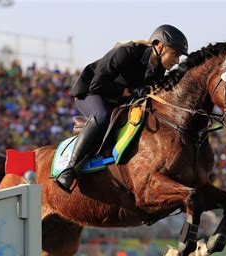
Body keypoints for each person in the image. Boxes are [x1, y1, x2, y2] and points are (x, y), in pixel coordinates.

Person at [55, 24, 189, 193]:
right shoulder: (127, 53)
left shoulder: (159, 70)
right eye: (175, 54)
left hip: (117, 99)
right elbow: (98, 85)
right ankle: (70, 169)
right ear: (159, 46)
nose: (177, 61)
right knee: (102, 115)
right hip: (89, 92)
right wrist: (129, 91)